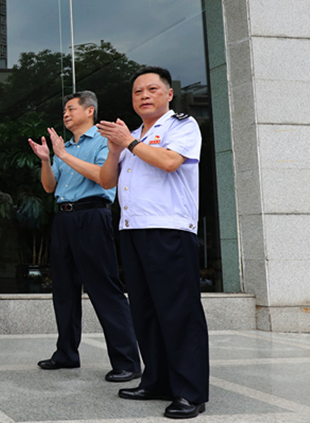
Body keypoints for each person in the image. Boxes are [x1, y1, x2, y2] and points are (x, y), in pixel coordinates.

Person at [98, 66, 209, 420]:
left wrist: (130, 142)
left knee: (179, 312)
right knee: (145, 312)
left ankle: (190, 392)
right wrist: (117, 148)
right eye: (137, 92)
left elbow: (169, 162)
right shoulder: (130, 135)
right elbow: (105, 180)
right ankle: (157, 381)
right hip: (133, 230)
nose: (144, 96)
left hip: (170, 230)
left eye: (151, 89)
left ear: (169, 93)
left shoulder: (182, 127)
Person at [28, 91, 141, 382]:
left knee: (104, 288)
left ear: (89, 110)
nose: (65, 114)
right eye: (64, 110)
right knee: (63, 290)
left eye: (71, 108)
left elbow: (104, 177)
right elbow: (50, 187)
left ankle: (127, 361)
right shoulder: (63, 146)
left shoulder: (105, 141)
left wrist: (63, 156)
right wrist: (46, 159)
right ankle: (66, 353)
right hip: (64, 219)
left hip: (92, 215)